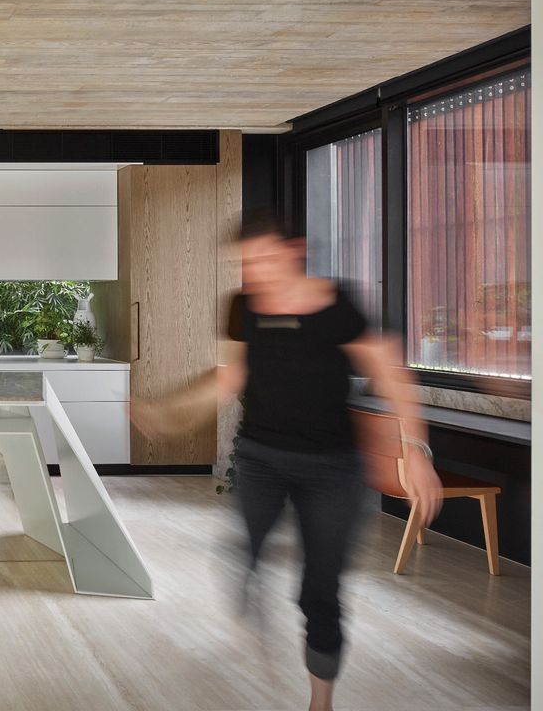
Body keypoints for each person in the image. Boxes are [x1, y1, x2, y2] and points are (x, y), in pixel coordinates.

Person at [130, 210, 442, 711]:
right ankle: (250, 584)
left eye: (266, 259)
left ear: (294, 250)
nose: (257, 274)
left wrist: (418, 453)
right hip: (261, 459)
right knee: (246, 553)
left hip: (332, 468)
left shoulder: (337, 304)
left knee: (319, 590)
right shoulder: (247, 308)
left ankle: (321, 700)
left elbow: (391, 373)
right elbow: (231, 378)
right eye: (248, 264)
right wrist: (168, 413)